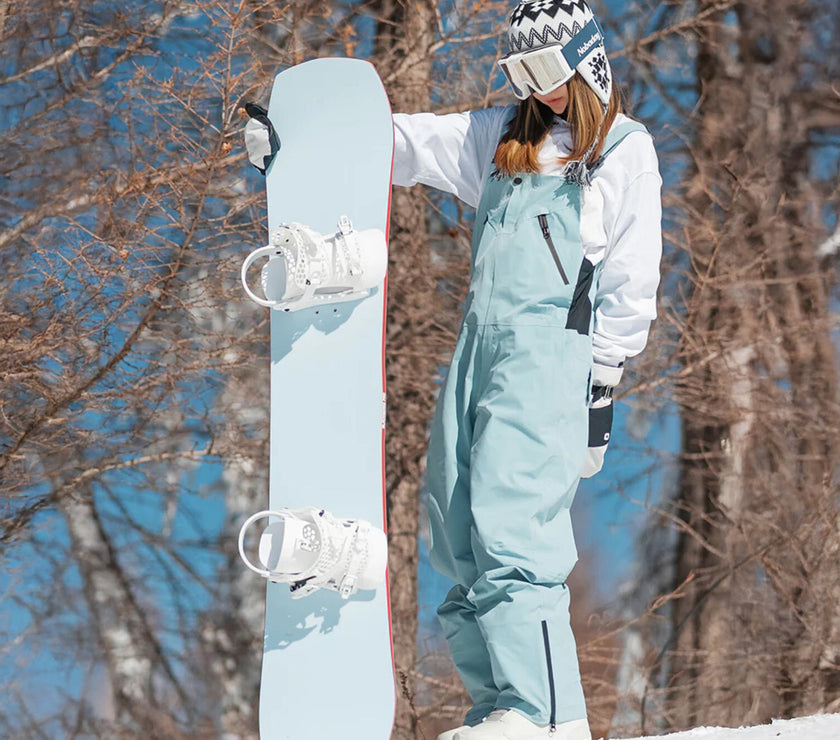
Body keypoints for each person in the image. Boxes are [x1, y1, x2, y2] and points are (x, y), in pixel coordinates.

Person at [244, 1, 662, 737]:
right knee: (457, 529)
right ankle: (499, 708)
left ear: (587, 63)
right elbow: (399, 144)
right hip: (477, 349)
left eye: (546, 70)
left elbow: (631, 284)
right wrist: (298, 144)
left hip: (549, 355)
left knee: (512, 530)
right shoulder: (500, 139)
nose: (535, 89)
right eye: (520, 73)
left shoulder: (623, 151)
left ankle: (546, 716)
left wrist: (599, 391)